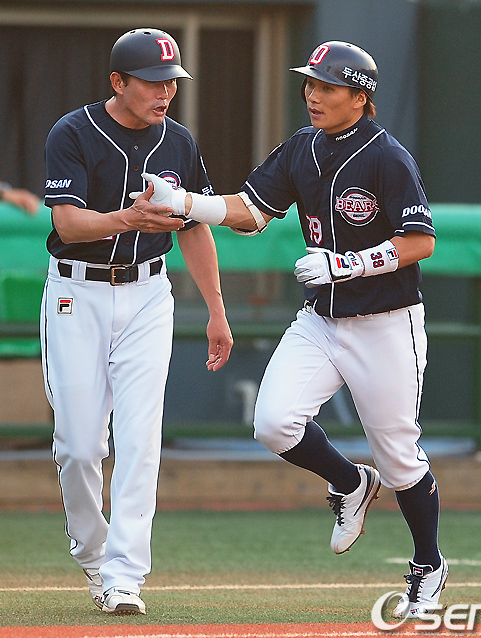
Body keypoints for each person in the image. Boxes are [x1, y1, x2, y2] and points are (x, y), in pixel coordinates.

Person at [138, 40, 448, 619]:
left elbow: (420, 242)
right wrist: (185, 203)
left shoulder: (388, 156)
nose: (313, 94)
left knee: (399, 456)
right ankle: (351, 483)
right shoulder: (301, 147)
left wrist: (350, 263)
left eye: (328, 86)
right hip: (320, 320)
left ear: (360, 97)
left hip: (386, 323)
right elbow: (252, 211)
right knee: (274, 422)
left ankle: (428, 565)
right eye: (310, 83)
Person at [40, 28, 233, 615]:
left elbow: (194, 228)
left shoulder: (179, 140)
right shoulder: (73, 131)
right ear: (118, 82)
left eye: (171, 82)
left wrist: (217, 311)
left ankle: (124, 576)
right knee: (79, 446)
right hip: (78, 292)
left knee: (140, 440)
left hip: (149, 294)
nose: (164, 92)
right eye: (151, 81)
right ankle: (93, 553)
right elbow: (68, 224)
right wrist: (129, 218)